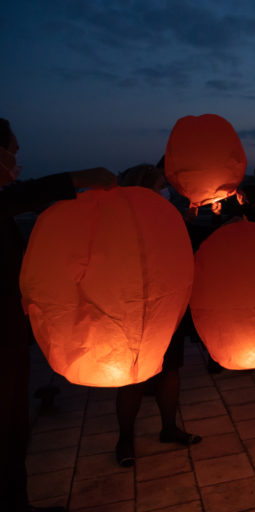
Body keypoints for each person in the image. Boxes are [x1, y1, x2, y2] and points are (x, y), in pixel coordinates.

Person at [0, 118, 116, 512]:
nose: (17, 161)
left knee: (13, 428)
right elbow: (21, 195)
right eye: (13, 152)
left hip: (10, 336)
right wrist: (80, 178)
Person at [114, 163, 201, 467]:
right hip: (131, 307)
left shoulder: (166, 216)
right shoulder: (120, 217)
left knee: (170, 369)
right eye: (161, 184)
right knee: (133, 374)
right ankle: (125, 438)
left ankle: (168, 427)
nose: (165, 190)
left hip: (168, 304)